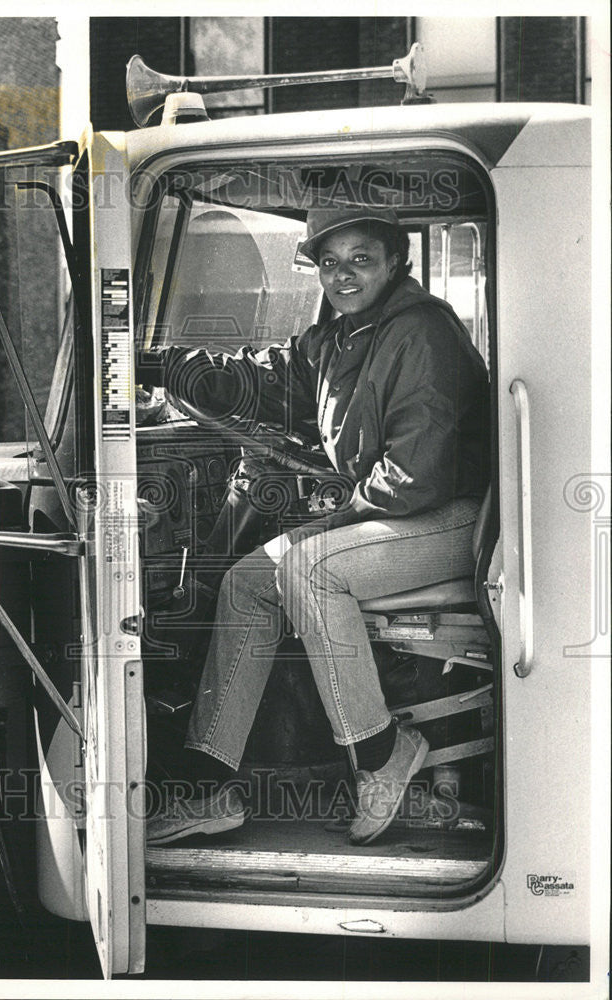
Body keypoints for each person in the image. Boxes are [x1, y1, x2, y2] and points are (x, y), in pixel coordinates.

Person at [137, 205, 490, 847]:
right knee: (250, 578)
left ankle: (383, 754)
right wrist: (156, 365)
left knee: (308, 567)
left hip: (451, 519)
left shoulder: (422, 333)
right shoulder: (335, 339)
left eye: (360, 259)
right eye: (329, 262)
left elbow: (419, 476)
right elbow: (260, 379)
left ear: (394, 262)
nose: (343, 275)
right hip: (395, 511)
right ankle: (211, 783)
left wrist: (329, 520)